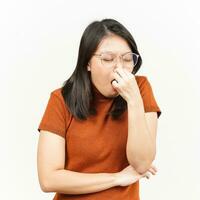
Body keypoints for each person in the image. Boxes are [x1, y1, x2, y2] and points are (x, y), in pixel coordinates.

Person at [37, 18, 161, 200]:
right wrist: (116, 178)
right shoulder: (61, 100)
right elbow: (49, 179)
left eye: (127, 59)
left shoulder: (140, 89)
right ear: (87, 63)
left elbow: (142, 163)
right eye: (108, 59)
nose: (120, 67)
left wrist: (134, 100)